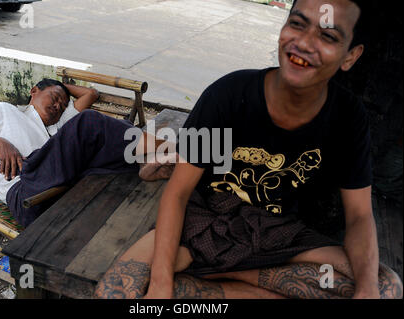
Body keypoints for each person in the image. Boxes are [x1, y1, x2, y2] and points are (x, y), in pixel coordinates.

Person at [94, 0, 402, 299]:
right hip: (204, 225)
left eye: (328, 36)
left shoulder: (348, 118)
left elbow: (360, 215)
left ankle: (221, 276)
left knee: (384, 285)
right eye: (297, 23)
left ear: (351, 56)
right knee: (115, 292)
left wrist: (366, 291)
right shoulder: (227, 95)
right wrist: (162, 283)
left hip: (279, 237)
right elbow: (177, 193)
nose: (305, 43)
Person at [0, 79, 172, 227]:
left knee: (107, 148)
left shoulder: (60, 127)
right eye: (55, 97)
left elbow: (91, 93)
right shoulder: (5, 111)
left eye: (64, 103)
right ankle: (173, 149)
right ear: (34, 91)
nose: (59, 105)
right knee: (90, 120)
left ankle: (148, 165)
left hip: (62, 188)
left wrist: (60, 86)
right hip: (27, 193)